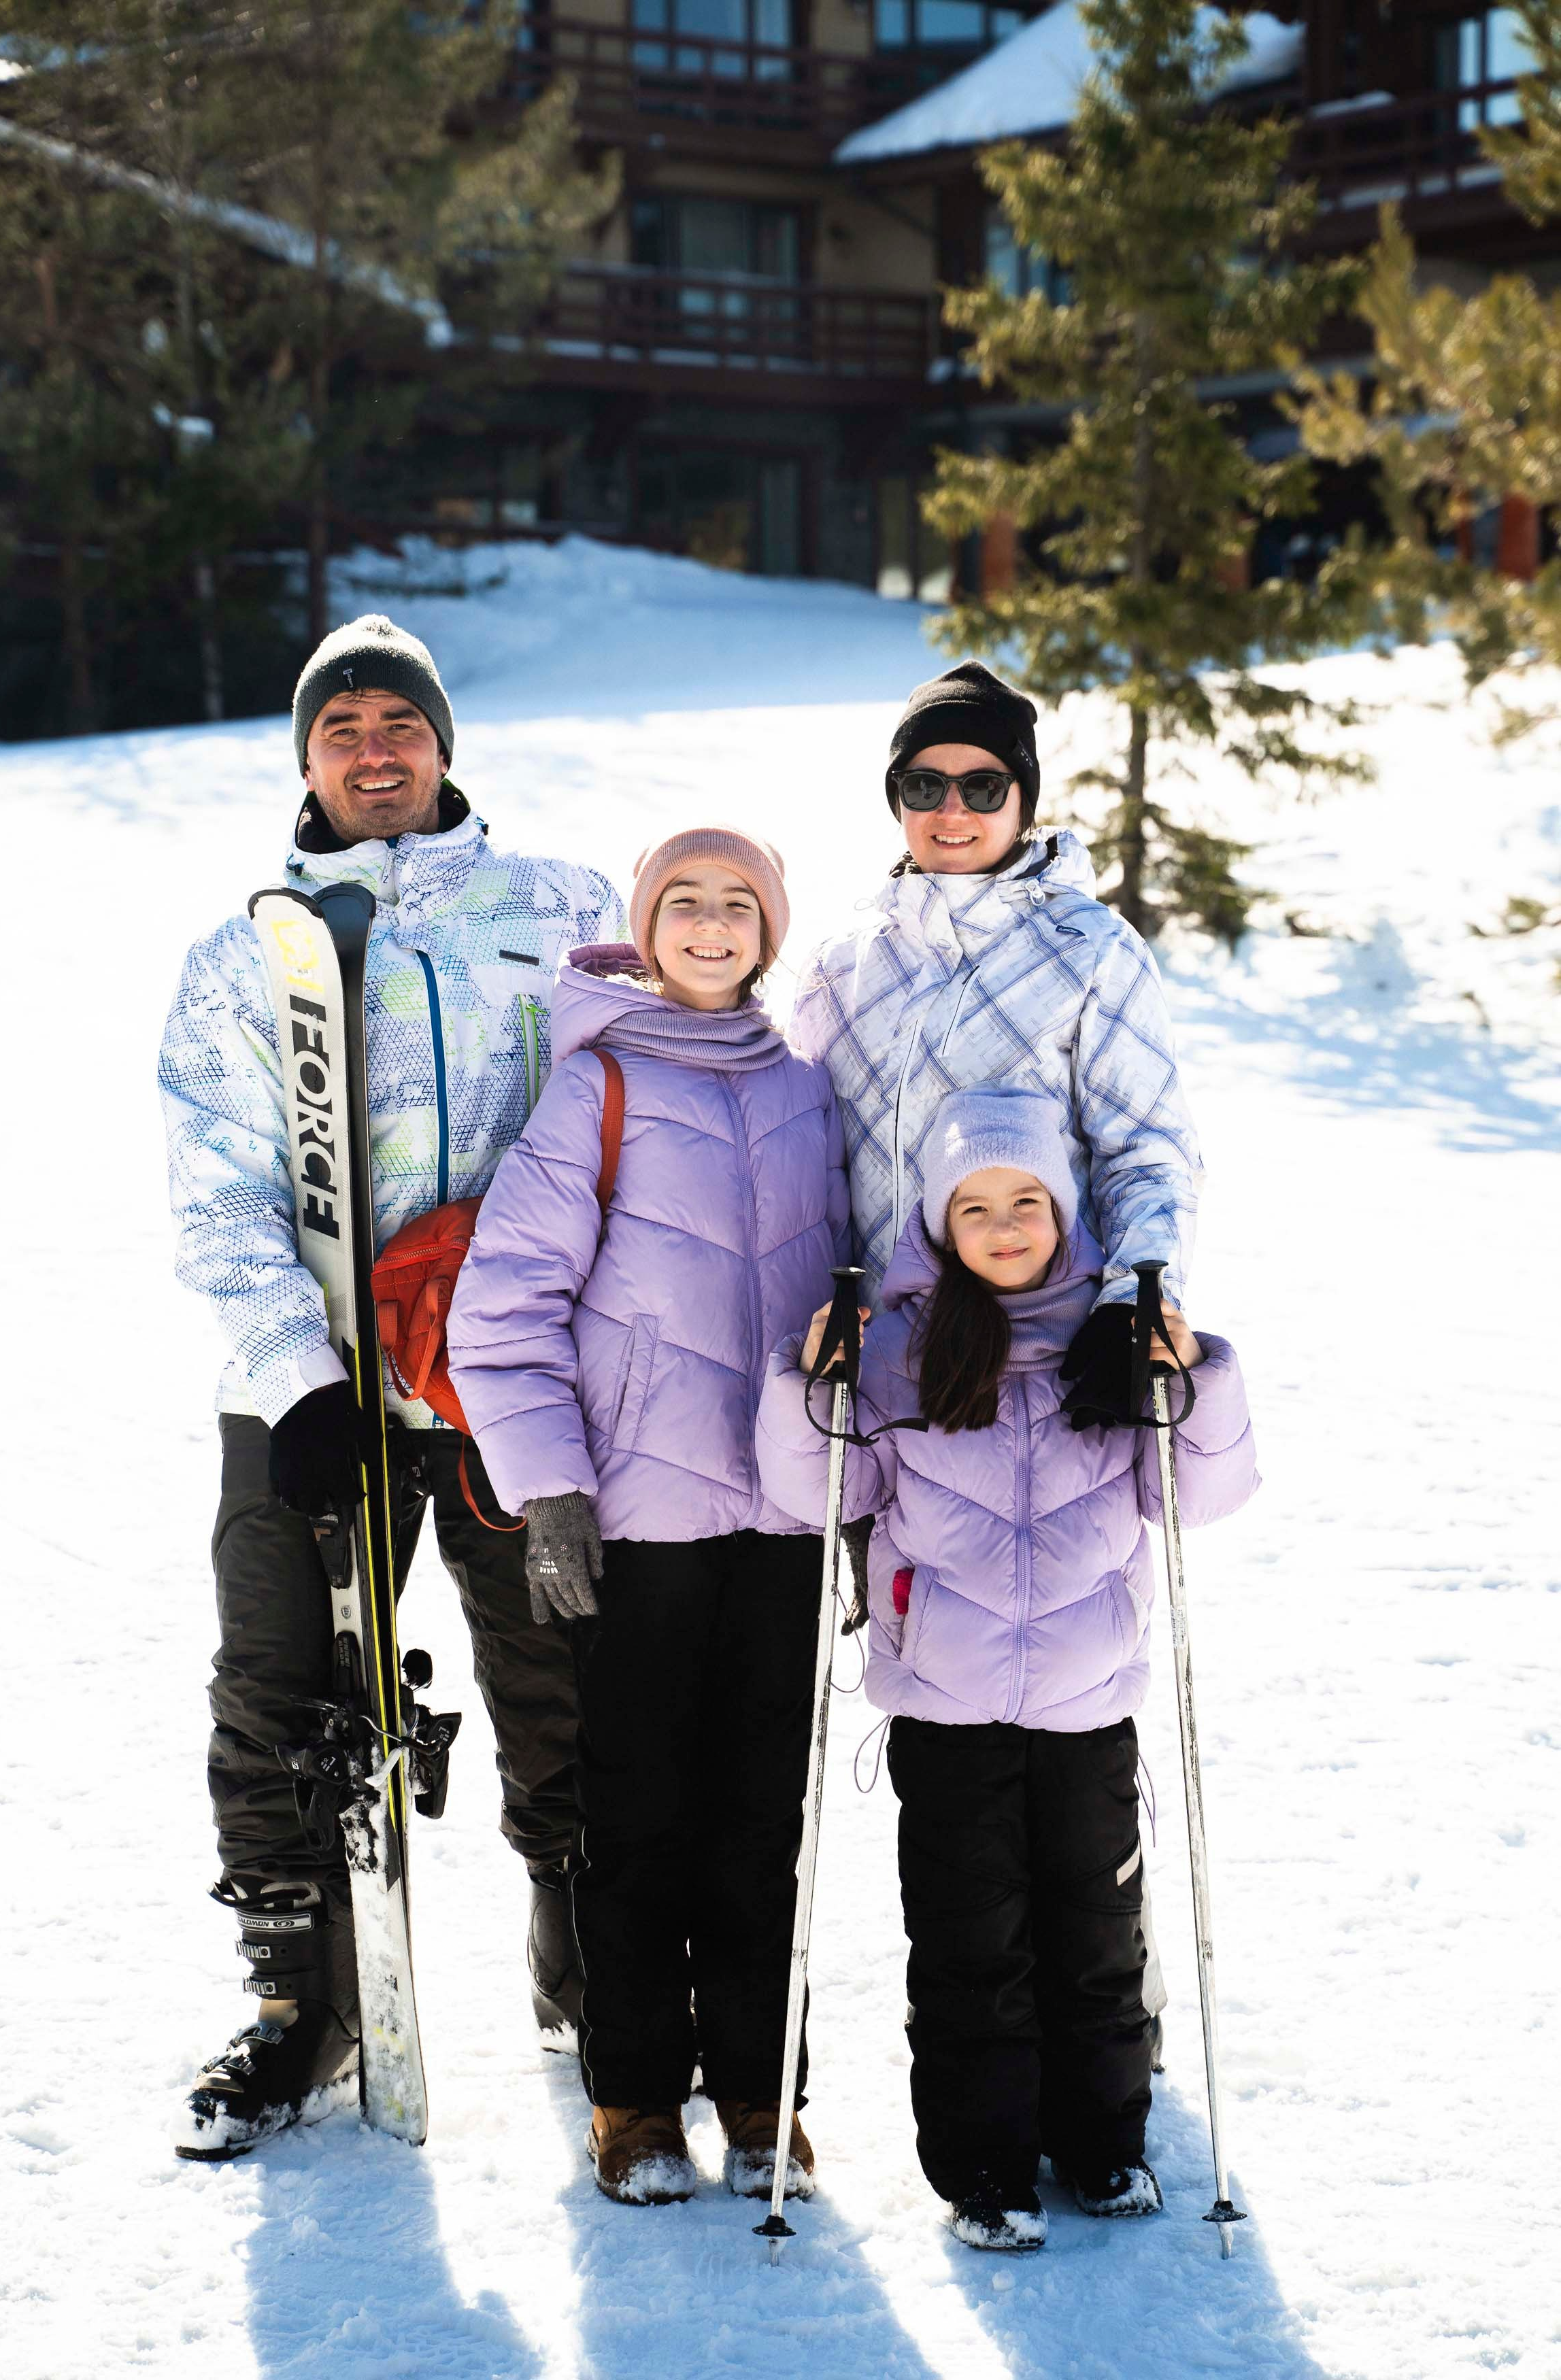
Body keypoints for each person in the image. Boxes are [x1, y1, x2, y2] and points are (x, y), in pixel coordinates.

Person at [159, 613, 623, 2160]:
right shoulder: (244, 958)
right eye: (341, 725)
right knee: (278, 1689)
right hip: (314, 1388)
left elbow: (641, 1116)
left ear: (442, 742)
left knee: (568, 1679)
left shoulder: (557, 909)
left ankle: (591, 1964)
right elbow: (216, 1189)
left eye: (398, 721)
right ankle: (304, 1999)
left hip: (508, 1380)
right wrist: (296, 1382)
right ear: (306, 757)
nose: (373, 747)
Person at [758, 1087, 1257, 2250]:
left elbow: (1200, 1496)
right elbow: (815, 1495)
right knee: (970, 1943)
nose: (1004, 1225)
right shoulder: (900, 1349)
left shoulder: (1116, 1340)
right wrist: (808, 1388)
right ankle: (984, 2168)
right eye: (973, 1206)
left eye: (1026, 1200)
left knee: (1095, 1936)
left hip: (1089, 1709)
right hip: (946, 1708)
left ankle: (1101, 2145)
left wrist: (1200, 1380)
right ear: (938, 1225)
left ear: (1063, 1211)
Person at [790, 658, 1203, 2030]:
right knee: (945, 1670)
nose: (953, 807)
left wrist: (1133, 1300)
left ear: (1024, 797)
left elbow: (1145, 1143)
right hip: (913, 1359)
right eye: (925, 784)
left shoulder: (1092, 950)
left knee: (1072, 1677)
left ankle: (1098, 2030)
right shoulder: (852, 956)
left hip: (1058, 1350)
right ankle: (987, 2031)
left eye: (981, 783)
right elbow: (811, 1147)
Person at [448, 827, 848, 2207]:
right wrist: (550, 1484)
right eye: (687, 903)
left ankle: (757, 2090)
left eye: (742, 905)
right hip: (643, 1522)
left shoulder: (808, 1088)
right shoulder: (597, 1084)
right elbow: (501, 1313)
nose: (714, 925)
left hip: (786, 1524)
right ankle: (629, 2098)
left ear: (770, 933)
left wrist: (859, 1494)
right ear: (650, 925)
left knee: (760, 1818)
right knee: (636, 1820)